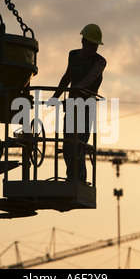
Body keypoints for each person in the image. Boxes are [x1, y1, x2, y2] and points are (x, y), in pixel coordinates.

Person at [49, 24, 107, 183]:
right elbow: (67, 76)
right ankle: (71, 178)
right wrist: (55, 96)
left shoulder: (100, 61)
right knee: (68, 145)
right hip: (73, 106)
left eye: (96, 44)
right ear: (84, 41)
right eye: (92, 43)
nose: (95, 47)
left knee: (78, 143)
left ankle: (79, 180)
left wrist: (79, 87)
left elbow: (92, 76)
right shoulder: (73, 55)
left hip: (86, 108)